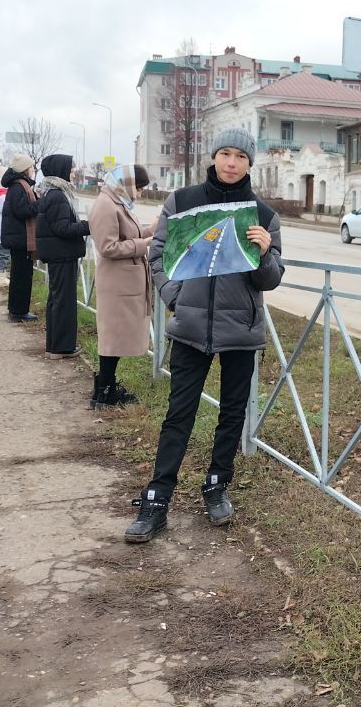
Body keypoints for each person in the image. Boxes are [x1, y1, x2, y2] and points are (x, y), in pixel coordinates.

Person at [125, 128, 284, 542]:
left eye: (241, 157)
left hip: (240, 331)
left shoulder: (263, 215)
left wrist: (265, 253)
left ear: (251, 163)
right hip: (191, 328)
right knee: (180, 412)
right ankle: (157, 497)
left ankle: (217, 485)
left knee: (231, 415)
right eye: (225, 154)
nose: (231, 163)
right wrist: (174, 296)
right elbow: (158, 254)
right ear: (213, 157)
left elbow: (271, 281)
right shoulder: (183, 202)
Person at [89, 164, 152, 409]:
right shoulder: (106, 205)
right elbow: (108, 247)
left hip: (123, 280)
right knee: (111, 338)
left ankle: (106, 387)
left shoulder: (117, 201)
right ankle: (104, 392)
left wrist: (150, 231)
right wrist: (143, 244)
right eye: (139, 187)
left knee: (115, 338)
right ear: (127, 184)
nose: (140, 193)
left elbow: (129, 235)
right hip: (116, 282)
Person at [36, 153, 90, 358]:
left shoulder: (51, 192)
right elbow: (63, 228)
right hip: (62, 254)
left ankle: (55, 345)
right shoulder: (58, 195)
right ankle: (62, 347)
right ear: (60, 171)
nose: (73, 173)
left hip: (58, 254)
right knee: (63, 302)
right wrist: (87, 226)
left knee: (57, 300)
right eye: (70, 169)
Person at [1, 154, 39, 323]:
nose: (33, 170)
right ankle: (18, 311)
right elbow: (22, 211)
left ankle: (17, 309)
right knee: (21, 276)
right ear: (25, 169)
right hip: (19, 238)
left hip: (18, 237)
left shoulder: (18, 186)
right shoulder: (19, 187)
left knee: (20, 275)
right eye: (31, 167)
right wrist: (40, 204)